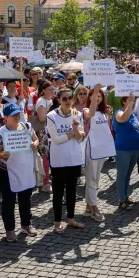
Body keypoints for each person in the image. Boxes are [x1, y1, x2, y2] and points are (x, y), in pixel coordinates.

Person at [0, 103, 39, 242]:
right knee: (9, 201)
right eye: (13, 115)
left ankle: (26, 224)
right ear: (6, 117)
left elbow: (36, 138)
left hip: (25, 168)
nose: (17, 117)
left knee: (25, 197)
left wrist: (34, 144)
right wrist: (3, 154)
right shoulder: (0, 133)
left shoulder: (26, 127)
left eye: (18, 114)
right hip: (8, 171)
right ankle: (10, 229)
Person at [47, 88, 86, 233]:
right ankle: (57, 222)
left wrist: (75, 129)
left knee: (72, 190)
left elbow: (80, 137)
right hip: (59, 160)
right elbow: (56, 139)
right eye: (65, 99)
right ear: (59, 100)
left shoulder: (77, 114)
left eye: (70, 98)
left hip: (74, 158)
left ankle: (71, 219)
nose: (68, 101)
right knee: (58, 192)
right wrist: (72, 133)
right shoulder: (51, 116)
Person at [83, 84, 115, 222]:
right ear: (90, 98)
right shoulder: (85, 110)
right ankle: (94, 206)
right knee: (91, 177)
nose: (97, 97)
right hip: (90, 147)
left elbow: (107, 130)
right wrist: (95, 90)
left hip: (102, 148)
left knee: (96, 177)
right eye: (94, 95)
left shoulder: (105, 112)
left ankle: (88, 206)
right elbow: (90, 114)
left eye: (100, 96)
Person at [114, 94, 139, 210]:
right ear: (124, 102)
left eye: (134, 100)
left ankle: (125, 196)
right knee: (122, 174)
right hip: (123, 149)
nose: (133, 102)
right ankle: (121, 200)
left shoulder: (133, 114)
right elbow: (123, 118)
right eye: (130, 100)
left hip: (134, 148)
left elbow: (135, 127)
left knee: (128, 174)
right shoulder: (118, 112)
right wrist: (130, 104)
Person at [32, 80, 55, 193]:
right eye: (50, 89)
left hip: (50, 130)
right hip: (42, 131)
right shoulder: (41, 101)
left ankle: (46, 178)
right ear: (44, 90)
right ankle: (45, 182)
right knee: (45, 156)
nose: (52, 91)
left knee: (50, 156)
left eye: (53, 89)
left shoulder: (50, 100)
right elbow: (41, 118)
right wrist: (55, 116)